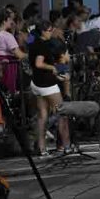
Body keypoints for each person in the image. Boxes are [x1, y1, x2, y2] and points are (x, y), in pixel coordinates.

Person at [29, 21, 71, 156]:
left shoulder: (33, 44)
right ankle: (67, 146)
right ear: (43, 31)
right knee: (62, 114)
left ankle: (42, 149)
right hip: (47, 85)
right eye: (49, 31)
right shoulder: (42, 46)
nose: (51, 33)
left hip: (36, 83)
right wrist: (53, 67)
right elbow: (39, 63)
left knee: (42, 116)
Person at [0, 9, 27, 93]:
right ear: (3, 21)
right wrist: (30, 55)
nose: (12, 22)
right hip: (6, 68)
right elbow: (19, 55)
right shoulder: (7, 36)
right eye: (10, 19)